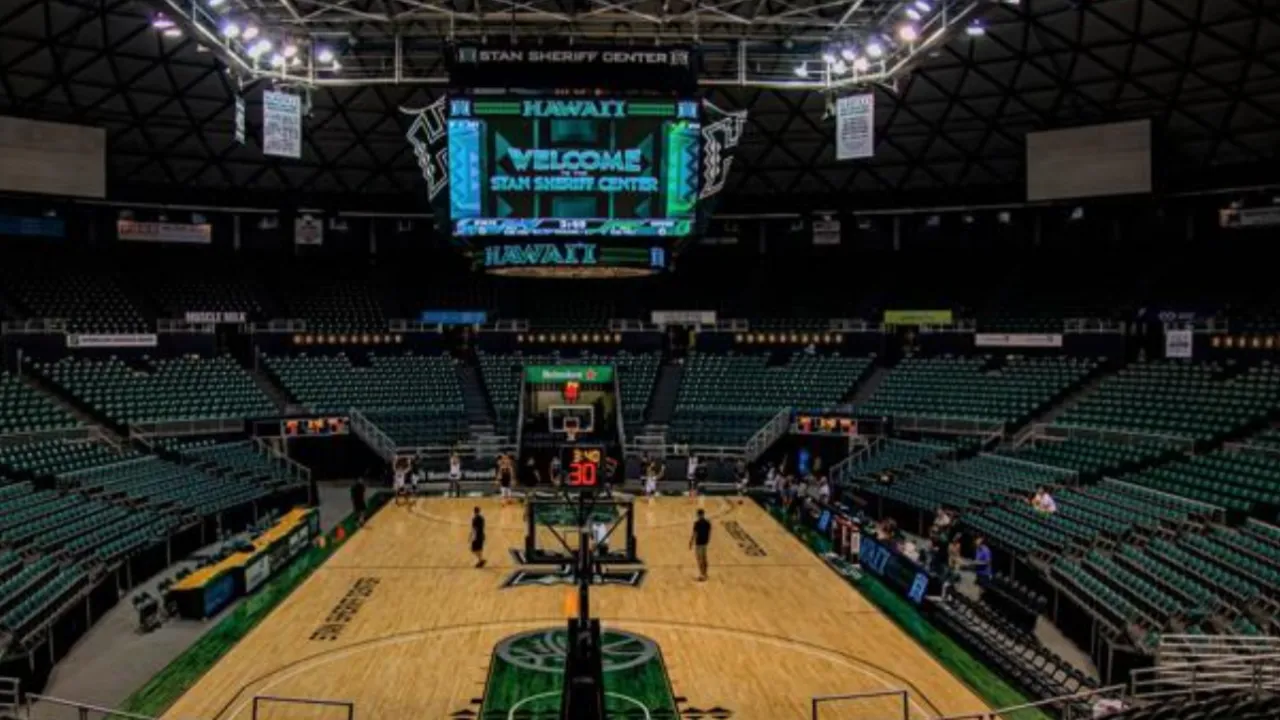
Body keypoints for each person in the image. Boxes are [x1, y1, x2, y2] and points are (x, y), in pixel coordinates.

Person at [689, 508, 712, 581]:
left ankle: (703, 574)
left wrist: (691, 542)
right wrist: (707, 540)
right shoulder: (708, 523)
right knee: (704, 559)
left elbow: (694, 533)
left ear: (698, 515)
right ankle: (704, 573)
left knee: (700, 559)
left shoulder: (697, 523)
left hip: (699, 543)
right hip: (704, 543)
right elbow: (709, 533)